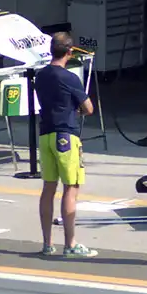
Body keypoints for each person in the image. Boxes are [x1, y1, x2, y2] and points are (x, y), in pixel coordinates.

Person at [35, 32, 97, 258]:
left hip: (45, 133)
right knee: (71, 187)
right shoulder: (70, 77)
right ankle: (70, 244)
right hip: (66, 135)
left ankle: (46, 243)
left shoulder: (40, 76)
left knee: (48, 187)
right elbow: (88, 108)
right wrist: (77, 108)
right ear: (70, 52)